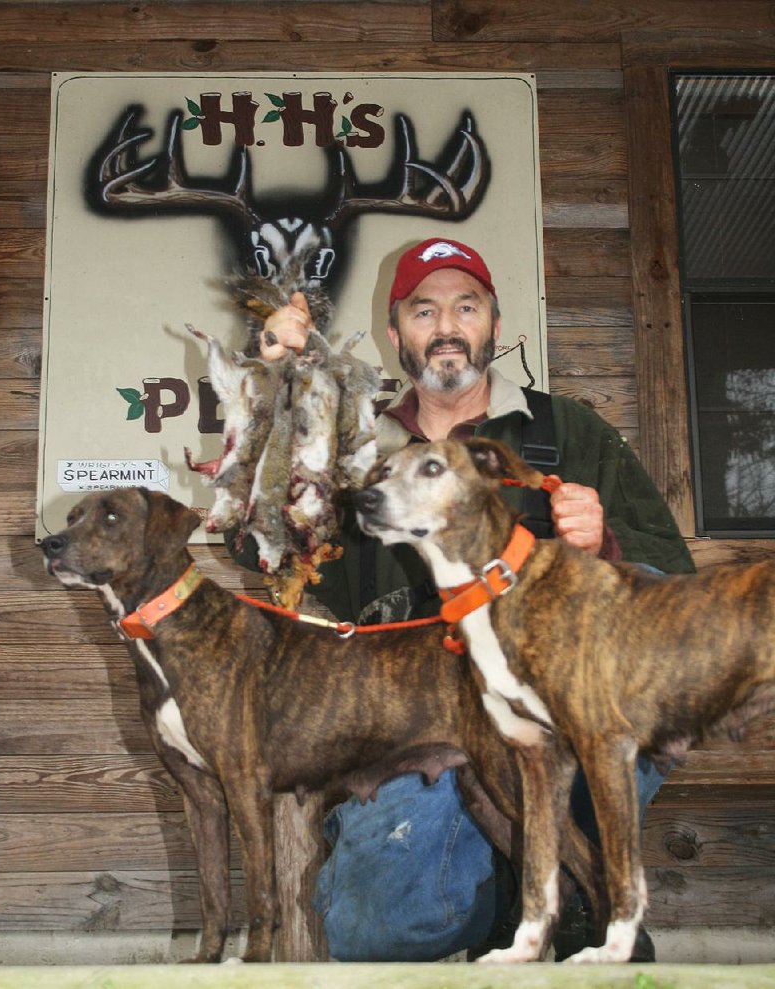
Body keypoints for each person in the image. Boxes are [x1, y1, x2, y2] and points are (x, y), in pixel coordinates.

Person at [227, 237, 695, 962]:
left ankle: (569, 882)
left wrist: (601, 547)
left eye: (466, 306)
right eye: (424, 309)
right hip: (414, 730)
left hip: (554, 720)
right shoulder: (353, 446)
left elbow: (672, 593)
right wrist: (273, 400)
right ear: (396, 334)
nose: (447, 325)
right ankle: (524, 894)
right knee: (375, 923)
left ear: (495, 326)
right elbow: (270, 547)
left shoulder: (570, 432)